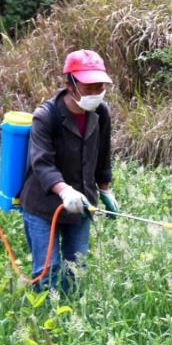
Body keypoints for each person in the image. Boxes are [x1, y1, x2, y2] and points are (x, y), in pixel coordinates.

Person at [20, 49, 119, 292]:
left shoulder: (100, 112)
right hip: (43, 205)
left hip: (82, 202)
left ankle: (70, 318)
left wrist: (105, 190)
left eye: (100, 86)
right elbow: (41, 163)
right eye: (89, 86)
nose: (96, 92)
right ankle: (46, 326)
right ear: (70, 84)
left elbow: (102, 154)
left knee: (75, 268)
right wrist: (65, 191)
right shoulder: (45, 116)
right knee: (48, 272)